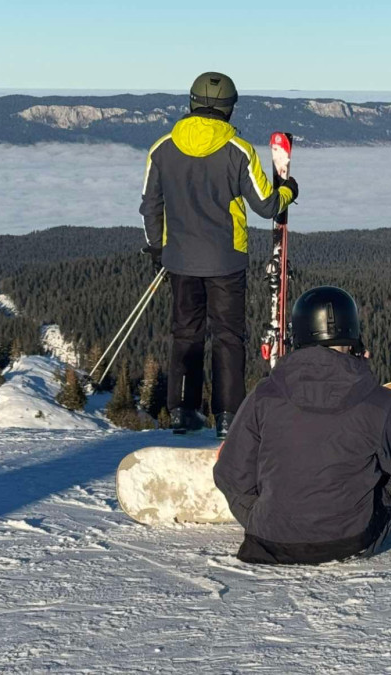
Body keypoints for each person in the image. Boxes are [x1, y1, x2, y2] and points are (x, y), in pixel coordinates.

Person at [214, 286, 391, 564]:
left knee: (233, 464)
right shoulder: (380, 400)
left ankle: (275, 518)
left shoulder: (265, 393)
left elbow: (232, 474)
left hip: (270, 539)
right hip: (351, 540)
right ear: (354, 335)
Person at [139, 72, 298, 439]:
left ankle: (183, 411)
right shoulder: (238, 150)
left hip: (178, 259)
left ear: (192, 102)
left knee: (186, 334)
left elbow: (151, 205)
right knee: (228, 337)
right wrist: (289, 189)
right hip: (226, 259)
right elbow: (266, 205)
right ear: (229, 108)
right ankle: (227, 417)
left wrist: (157, 248)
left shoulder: (162, 148)